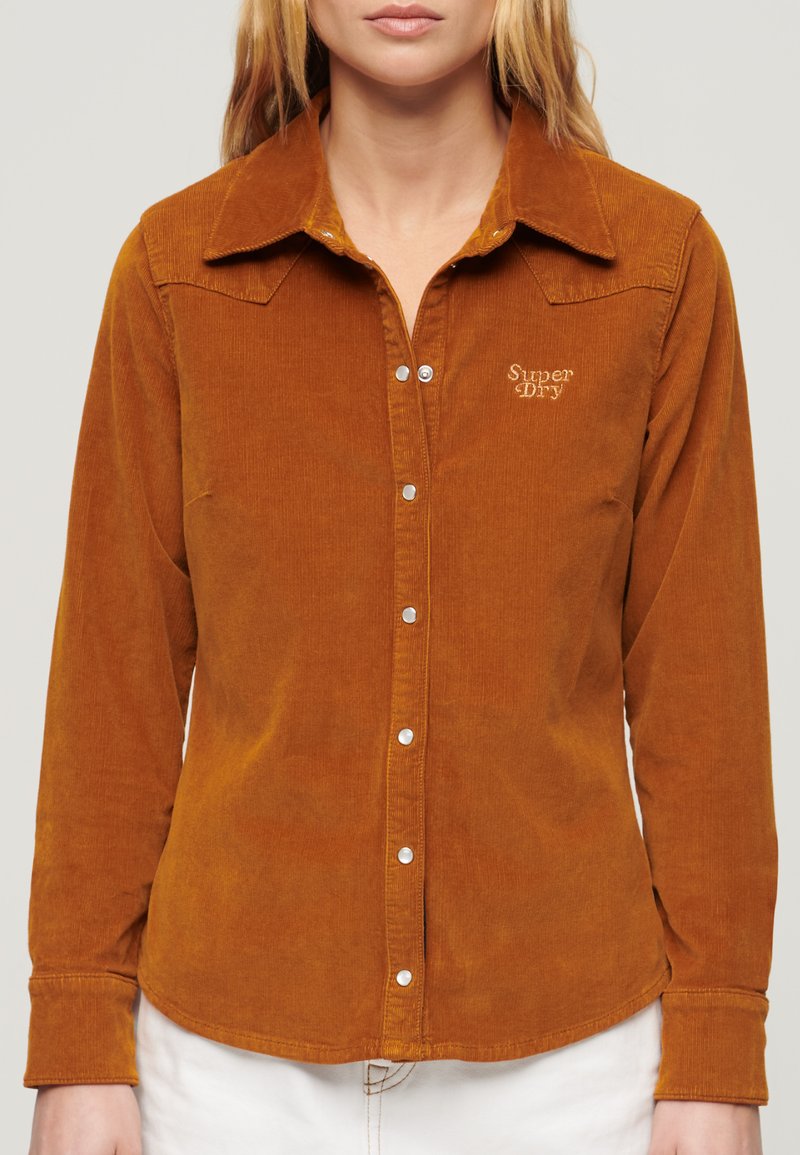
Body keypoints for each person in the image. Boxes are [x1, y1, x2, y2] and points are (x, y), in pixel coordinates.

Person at [25, 2, 778, 1154]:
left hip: (572, 1077)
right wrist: (78, 1042)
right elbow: (109, 689)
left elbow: (702, 698)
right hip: (225, 1076)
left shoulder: (656, 267)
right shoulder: (175, 274)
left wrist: (717, 1057)